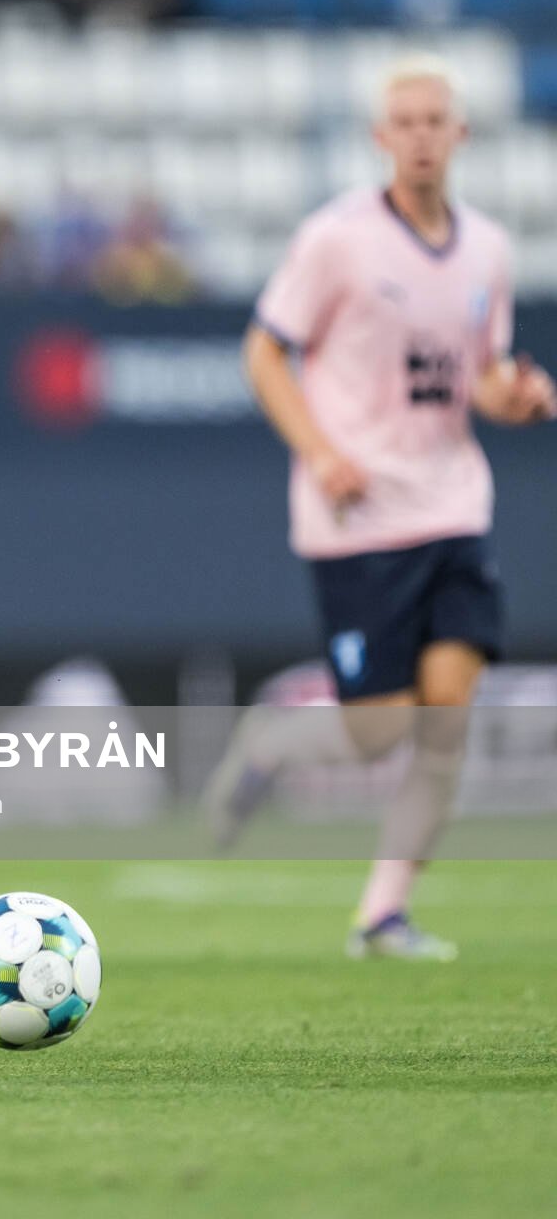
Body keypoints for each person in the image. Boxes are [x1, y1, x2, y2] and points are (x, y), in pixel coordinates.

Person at [213, 55, 556, 959]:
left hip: (452, 506)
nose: (419, 136)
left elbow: (477, 374)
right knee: (378, 732)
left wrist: (508, 398)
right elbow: (262, 352)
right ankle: (278, 746)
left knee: (446, 718)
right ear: (380, 137)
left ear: (461, 134)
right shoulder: (337, 240)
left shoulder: (487, 248)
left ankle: (383, 913)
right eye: (403, 121)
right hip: (359, 516)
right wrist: (321, 452)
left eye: (434, 120)